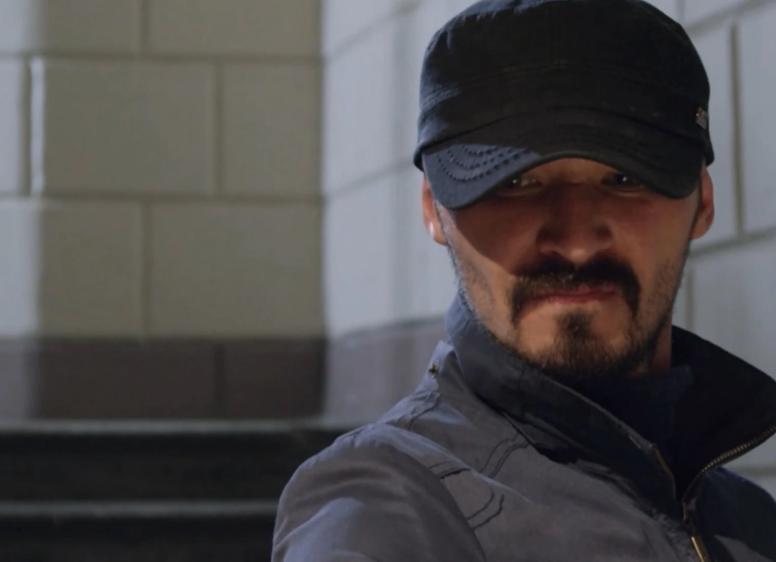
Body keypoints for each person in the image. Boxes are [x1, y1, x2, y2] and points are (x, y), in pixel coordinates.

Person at [273, 0, 776, 560]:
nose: (576, 240)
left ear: (702, 202)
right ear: (434, 210)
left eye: (624, 178)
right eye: (515, 183)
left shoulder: (749, 520)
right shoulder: (385, 509)